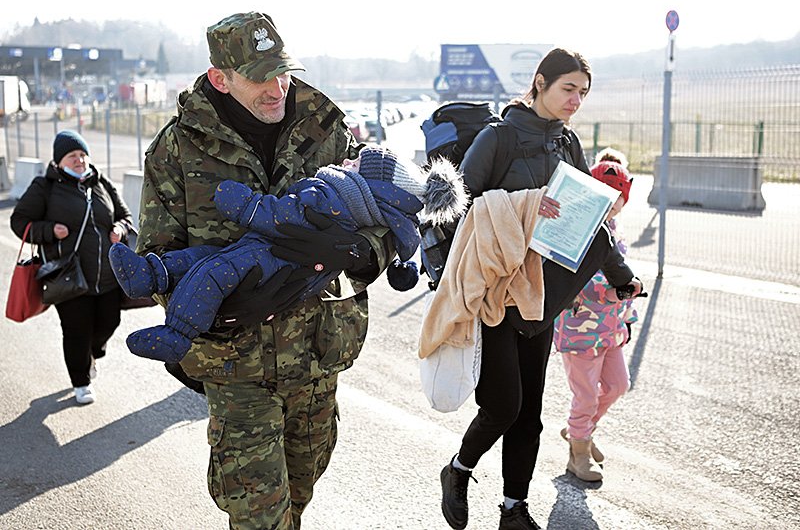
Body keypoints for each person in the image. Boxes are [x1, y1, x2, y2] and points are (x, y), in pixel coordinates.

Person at [136, 11, 402, 529]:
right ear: (221, 79)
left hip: (320, 353)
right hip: (236, 365)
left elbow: (382, 216)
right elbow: (160, 255)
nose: (276, 87)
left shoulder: (326, 128)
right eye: (259, 76)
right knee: (259, 514)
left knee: (301, 489)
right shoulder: (176, 148)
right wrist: (225, 308)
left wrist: (356, 254)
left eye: (281, 70)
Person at [437, 48, 643, 529]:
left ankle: (514, 509)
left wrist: (619, 276)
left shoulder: (567, 144)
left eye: (583, 93)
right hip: (496, 293)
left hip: (543, 293)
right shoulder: (499, 137)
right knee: (503, 406)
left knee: (530, 413)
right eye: (568, 89)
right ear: (540, 82)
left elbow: (587, 218)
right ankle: (459, 469)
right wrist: (526, 204)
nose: (576, 100)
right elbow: (459, 208)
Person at [110, 147, 465, 363]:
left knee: (212, 270)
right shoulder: (352, 196)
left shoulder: (332, 195)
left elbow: (281, 216)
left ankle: (177, 334)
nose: (346, 159)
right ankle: (151, 275)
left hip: (271, 266)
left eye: (356, 162)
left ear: (367, 184)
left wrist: (246, 207)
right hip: (252, 279)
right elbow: (403, 237)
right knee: (204, 257)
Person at [10, 130, 133, 405]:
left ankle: (92, 353)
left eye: (82, 155)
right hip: (68, 276)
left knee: (109, 323)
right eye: (72, 156)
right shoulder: (45, 187)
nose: (79, 160)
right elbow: (20, 222)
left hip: (107, 274)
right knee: (76, 330)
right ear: (58, 162)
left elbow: (125, 216)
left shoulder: (101, 183)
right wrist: (50, 230)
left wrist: (119, 228)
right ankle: (80, 382)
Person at [554, 147, 642, 483]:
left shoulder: (615, 230)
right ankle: (578, 453)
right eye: (607, 194)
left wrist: (626, 314)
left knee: (618, 385)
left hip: (611, 328)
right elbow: (567, 277)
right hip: (580, 329)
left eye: (619, 195)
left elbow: (623, 276)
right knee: (586, 394)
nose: (612, 201)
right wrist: (605, 293)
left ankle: (581, 430)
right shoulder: (578, 227)